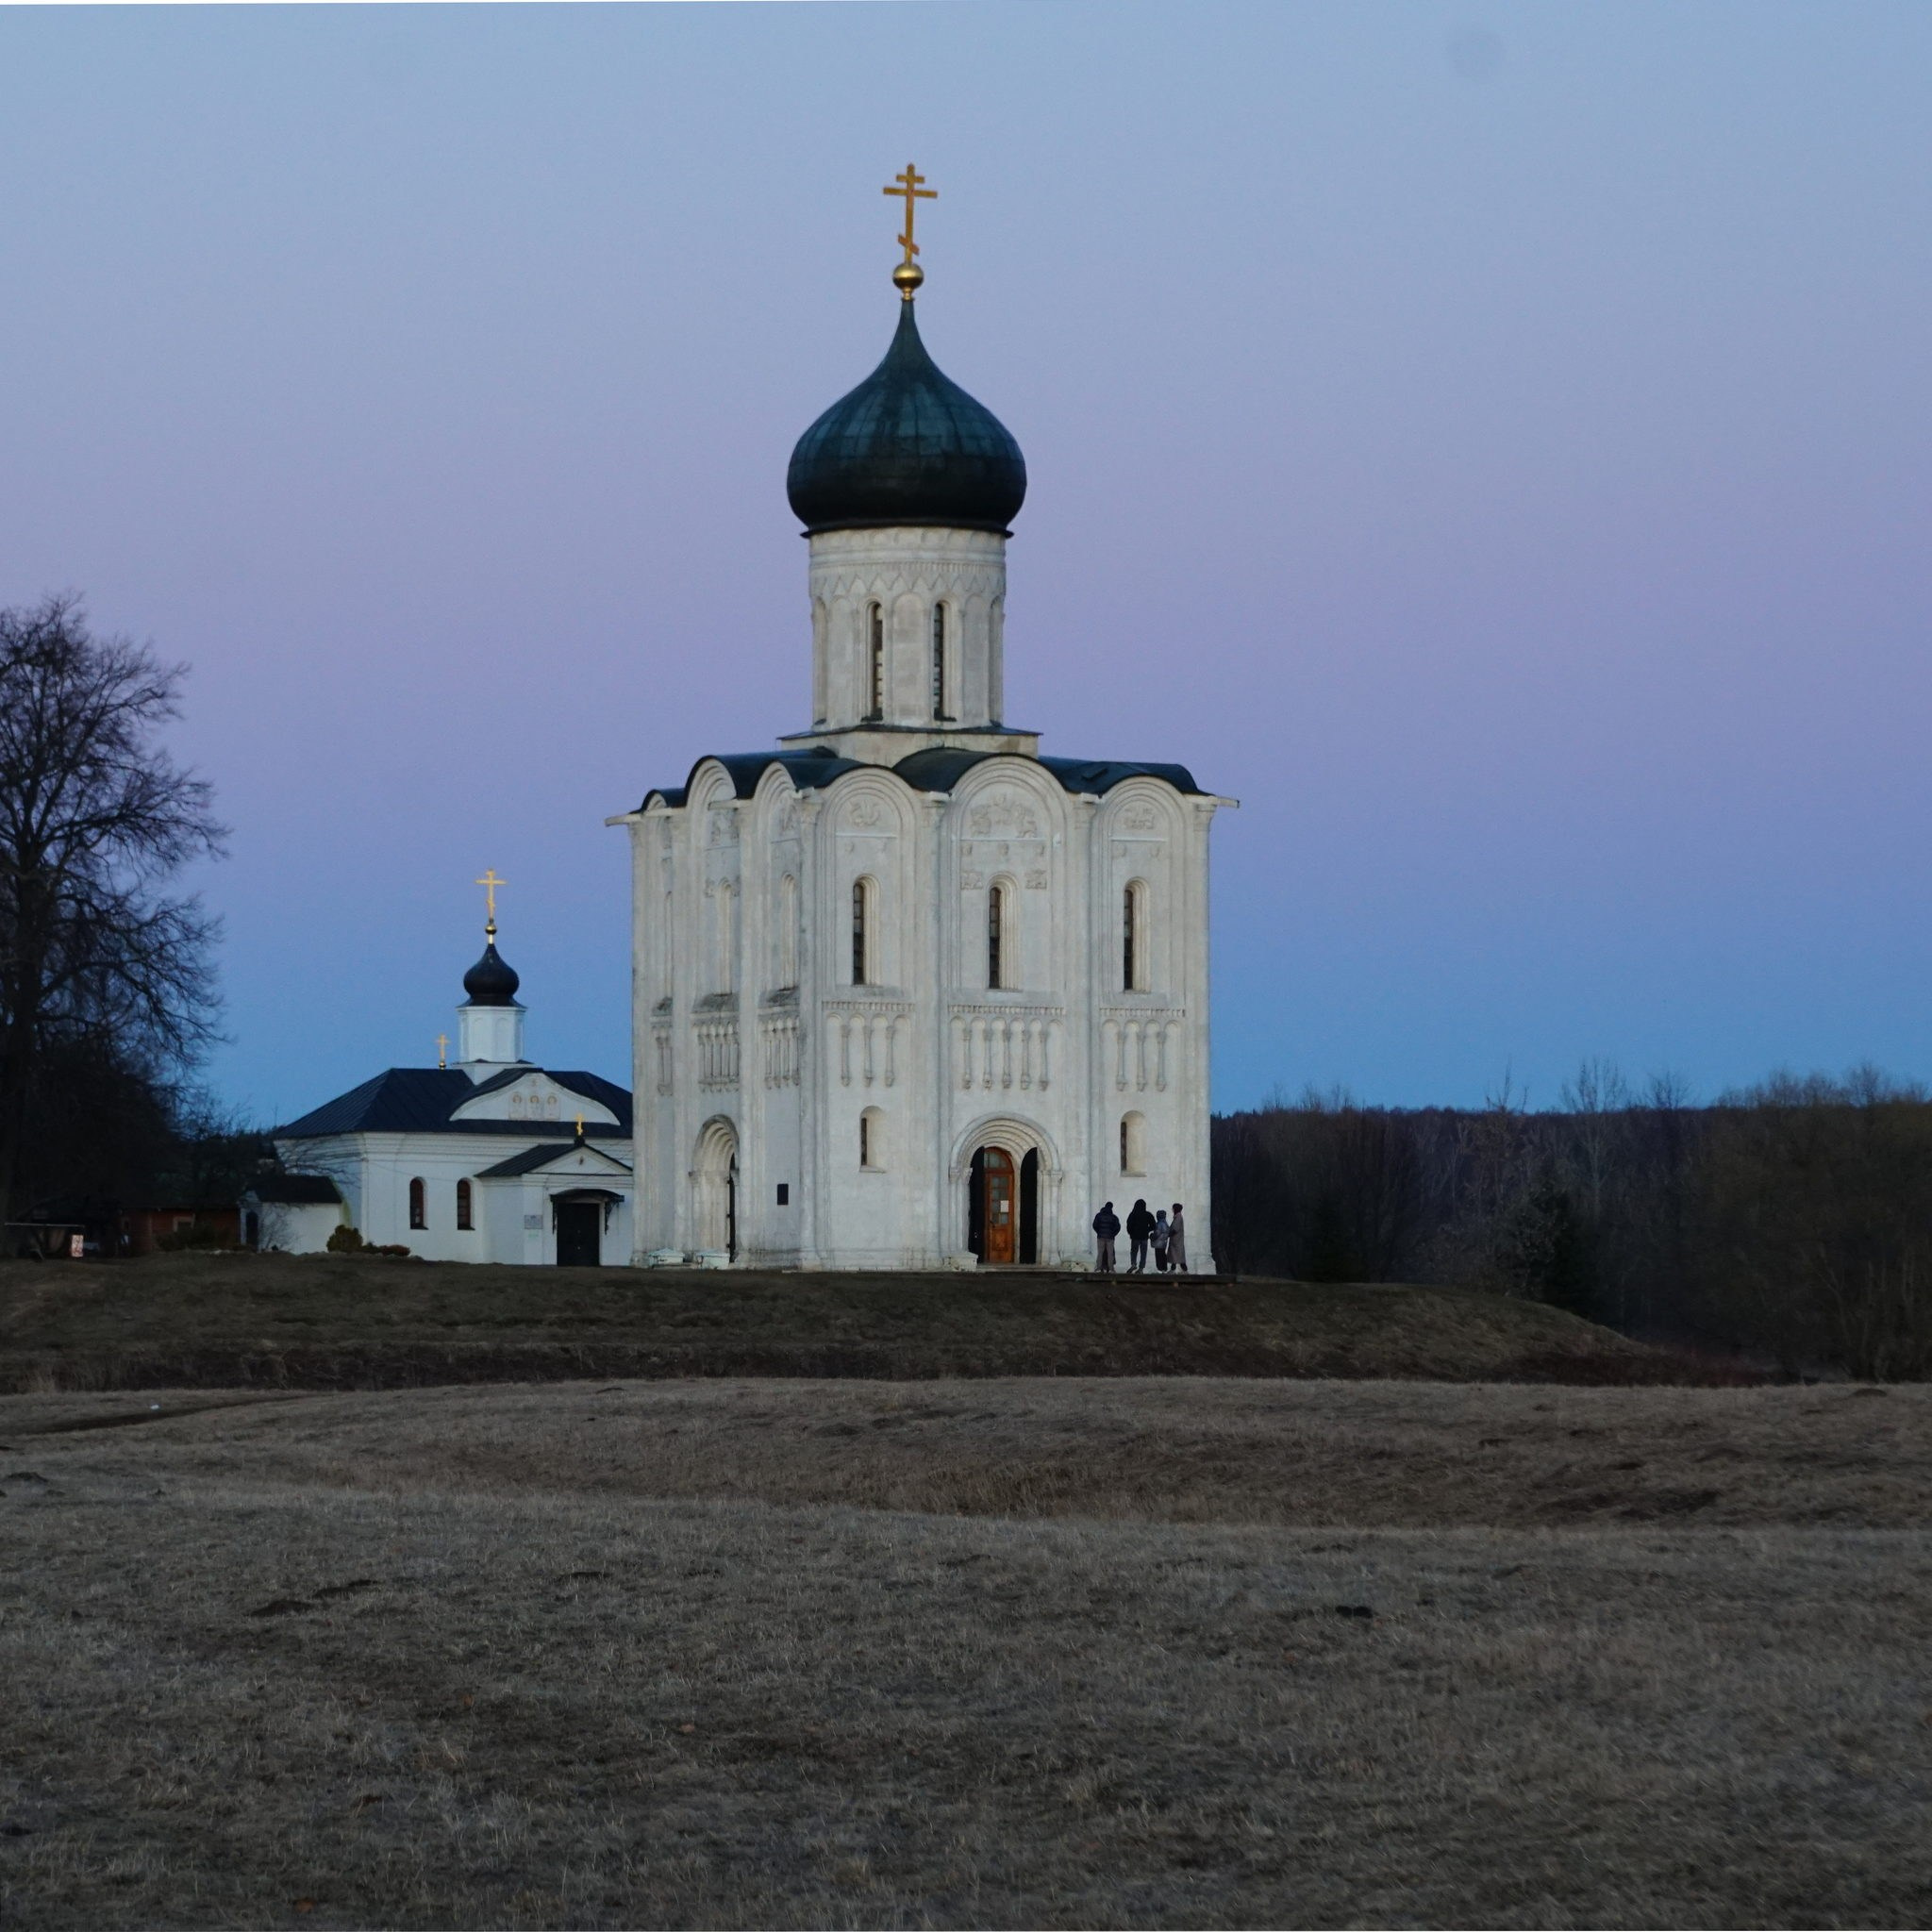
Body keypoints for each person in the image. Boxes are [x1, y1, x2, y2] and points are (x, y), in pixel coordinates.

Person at [1125, 1198, 1155, 1274]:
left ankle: (1133, 1264)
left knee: (1134, 1251)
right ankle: (1141, 1268)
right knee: (1143, 1253)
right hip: (1144, 1236)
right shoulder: (1148, 1214)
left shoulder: (1133, 1214)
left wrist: (1131, 1232)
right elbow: (1153, 1225)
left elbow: (1129, 1224)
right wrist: (1147, 1230)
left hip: (1135, 1236)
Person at [1091, 1200, 1121, 1274]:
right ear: (1111, 1207)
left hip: (1100, 1237)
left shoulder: (1098, 1215)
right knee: (1110, 1253)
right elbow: (1118, 1227)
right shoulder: (1114, 1217)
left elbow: (1094, 1225)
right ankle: (1111, 1269)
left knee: (1100, 1253)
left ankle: (1098, 1268)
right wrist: (1113, 1234)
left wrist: (1099, 1232)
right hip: (1110, 1238)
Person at [1168, 1203, 1189, 1274]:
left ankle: (1183, 1270)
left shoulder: (1178, 1217)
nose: (1172, 1209)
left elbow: (1175, 1229)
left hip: (1176, 1240)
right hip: (1177, 1240)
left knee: (1176, 1256)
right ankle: (1176, 1270)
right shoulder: (1178, 1217)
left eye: (1173, 1208)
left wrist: (1169, 1234)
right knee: (1178, 1257)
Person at [1152, 1208, 1172, 1272]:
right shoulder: (1166, 1224)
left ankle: (1160, 1268)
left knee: (1158, 1256)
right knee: (1163, 1255)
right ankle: (1164, 1268)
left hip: (1158, 1243)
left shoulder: (1158, 1224)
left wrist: (1151, 1236)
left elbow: (1157, 1233)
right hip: (1164, 1243)